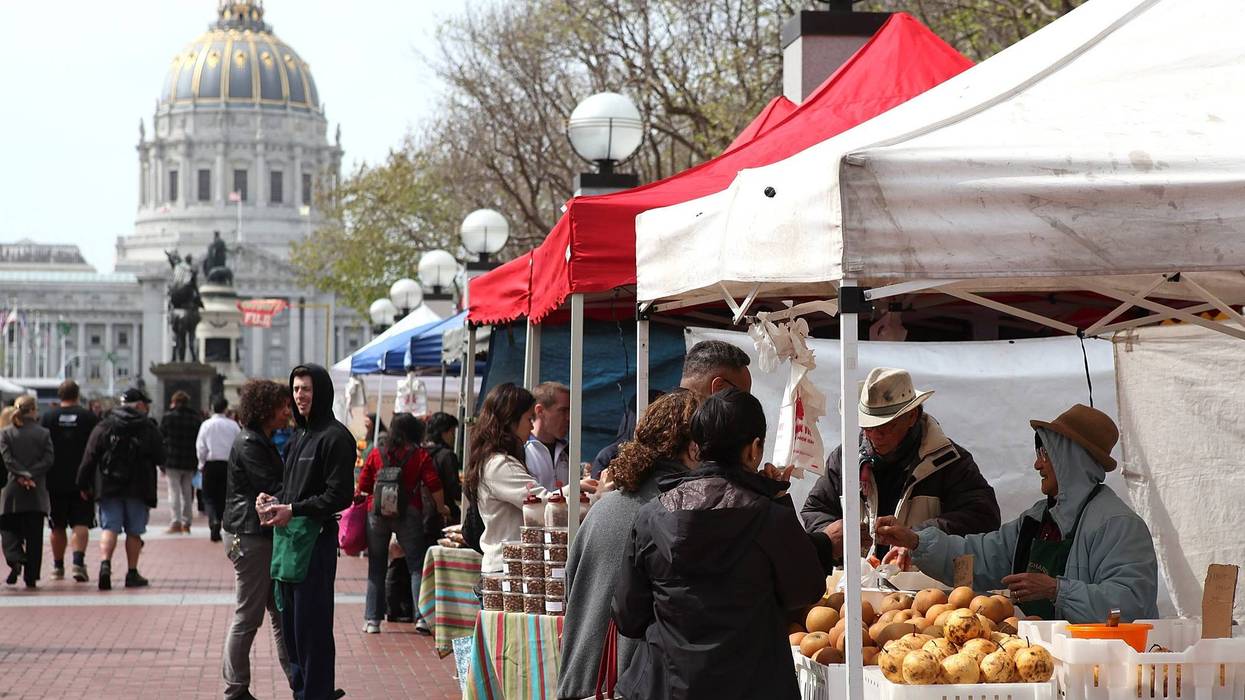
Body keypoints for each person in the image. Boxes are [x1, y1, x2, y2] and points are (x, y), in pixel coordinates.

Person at [612, 388, 826, 700]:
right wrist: (778, 498)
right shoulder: (770, 517)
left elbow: (628, 617)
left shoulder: (651, 516)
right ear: (754, 449)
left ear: (696, 448)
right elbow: (806, 591)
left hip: (666, 687)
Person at [876, 404, 1160, 623]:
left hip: (1095, 667)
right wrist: (916, 541)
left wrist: (1056, 590)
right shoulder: (1036, 519)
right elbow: (978, 559)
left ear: (1069, 460)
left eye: (1045, 454)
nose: (1037, 465)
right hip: (1036, 658)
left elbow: (1131, 604)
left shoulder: (1119, 525)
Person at [558, 390, 701, 700]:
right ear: (693, 449)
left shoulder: (602, 508)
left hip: (580, 680)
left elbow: (570, 587)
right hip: (625, 686)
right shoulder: (676, 515)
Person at [801, 367, 1000, 567]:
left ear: (911, 416)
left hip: (924, 583)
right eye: (868, 427)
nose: (875, 436)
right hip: (859, 580)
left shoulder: (949, 461)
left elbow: (983, 517)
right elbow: (816, 508)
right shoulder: (845, 458)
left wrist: (917, 539)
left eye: (885, 427)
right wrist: (832, 537)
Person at [256, 364, 353, 700]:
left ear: (321, 391)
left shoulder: (336, 437)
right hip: (289, 543)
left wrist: (294, 509)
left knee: (312, 628)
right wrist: (273, 500)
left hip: (316, 543)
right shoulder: (298, 436)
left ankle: (316, 693)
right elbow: (292, 490)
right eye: (296, 389)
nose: (300, 396)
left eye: (306, 389)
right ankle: (303, 691)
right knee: (292, 630)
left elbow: (340, 495)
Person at [222, 380, 293, 700]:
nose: (287, 411)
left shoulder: (260, 439)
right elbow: (270, 484)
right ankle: (235, 687)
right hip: (249, 534)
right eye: (282, 406)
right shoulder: (250, 442)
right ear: (265, 409)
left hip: (258, 533)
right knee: (248, 615)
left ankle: (299, 680)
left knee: (278, 612)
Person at [356, 413, 450, 634]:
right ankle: (422, 618)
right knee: (416, 565)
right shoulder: (419, 455)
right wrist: (441, 508)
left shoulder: (377, 453)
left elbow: (364, 484)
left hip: (377, 514)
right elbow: (434, 484)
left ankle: (372, 620)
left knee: (376, 566)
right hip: (409, 513)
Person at [77, 387, 164, 590]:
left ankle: (105, 565)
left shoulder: (105, 424)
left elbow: (90, 455)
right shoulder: (147, 426)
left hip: (109, 485)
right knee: (134, 532)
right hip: (138, 487)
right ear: (140, 405)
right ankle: (132, 572)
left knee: (109, 528)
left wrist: (82, 483)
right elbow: (161, 456)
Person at [466, 383, 552, 573]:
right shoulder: (500, 464)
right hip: (506, 567)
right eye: (529, 419)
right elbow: (542, 503)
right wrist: (589, 495)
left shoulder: (495, 460)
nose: (532, 426)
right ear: (510, 420)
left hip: (508, 565)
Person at [41, 379, 99, 581]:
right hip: (82, 481)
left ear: (60, 395)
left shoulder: (48, 417)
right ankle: (78, 562)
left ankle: (58, 566)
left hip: (54, 481)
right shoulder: (89, 418)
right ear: (77, 395)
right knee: (81, 522)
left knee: (57, 525)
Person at [1, 397, 55, 588]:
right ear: (33, 410)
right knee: (34, 536)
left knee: (8, 529)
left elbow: (7, 459)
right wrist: (31, 474)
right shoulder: (43, 433)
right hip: (35, 489)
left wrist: (20, 474)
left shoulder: (6, 433)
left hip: (12, 489)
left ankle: (15, 557)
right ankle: (31, 575)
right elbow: (49, 459)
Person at [198, 395, 240, 542]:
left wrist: (201, 463)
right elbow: (238, 446)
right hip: (227, 464)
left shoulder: (206, 425)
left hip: (210, 463)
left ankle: (213, 520)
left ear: (212, 408)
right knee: (223, 495)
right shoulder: (233, 425)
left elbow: (201, 446)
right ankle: (220, 520)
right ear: (225, 408)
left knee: (208, 496)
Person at [160, 390, 202, 534]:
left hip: (172, 459)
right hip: (190, 460)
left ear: (174, 402)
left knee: (174, 492)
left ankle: (176, 522)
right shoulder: (195, 418)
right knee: (187, 492)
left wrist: (161, 461)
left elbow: (161, 438)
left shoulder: (168, 417)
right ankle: (187, 522)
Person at [524, 382, 570, 490]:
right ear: (540, 411)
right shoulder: (521, 450)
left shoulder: (568, 452)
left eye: (570, 411)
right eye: (563, 411)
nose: (569, 418)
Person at [424, 411, 462, 526]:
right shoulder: (447, 456)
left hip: (421, 515)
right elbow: (454, 490)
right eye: (452, 432)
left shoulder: (421, 452)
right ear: (443, 432)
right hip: (444, 515)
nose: (454, 436)